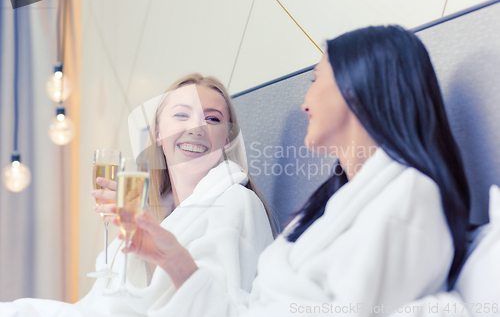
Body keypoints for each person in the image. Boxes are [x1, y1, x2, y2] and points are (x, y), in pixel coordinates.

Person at [125, 26, 471, 317]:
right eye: (180, 116)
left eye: (316, 78)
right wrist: (175, 259)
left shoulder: (409, 200)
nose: (305, 101)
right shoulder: (336, 204)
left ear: (359, 87)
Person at [0, 74, 275, 317]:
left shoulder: (238, 203)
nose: (197, 127)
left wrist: (161, 254)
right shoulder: (158, 215)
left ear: (227, 138)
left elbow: (220, 307)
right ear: (157, 133)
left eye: (213, 119)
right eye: (181, 115)